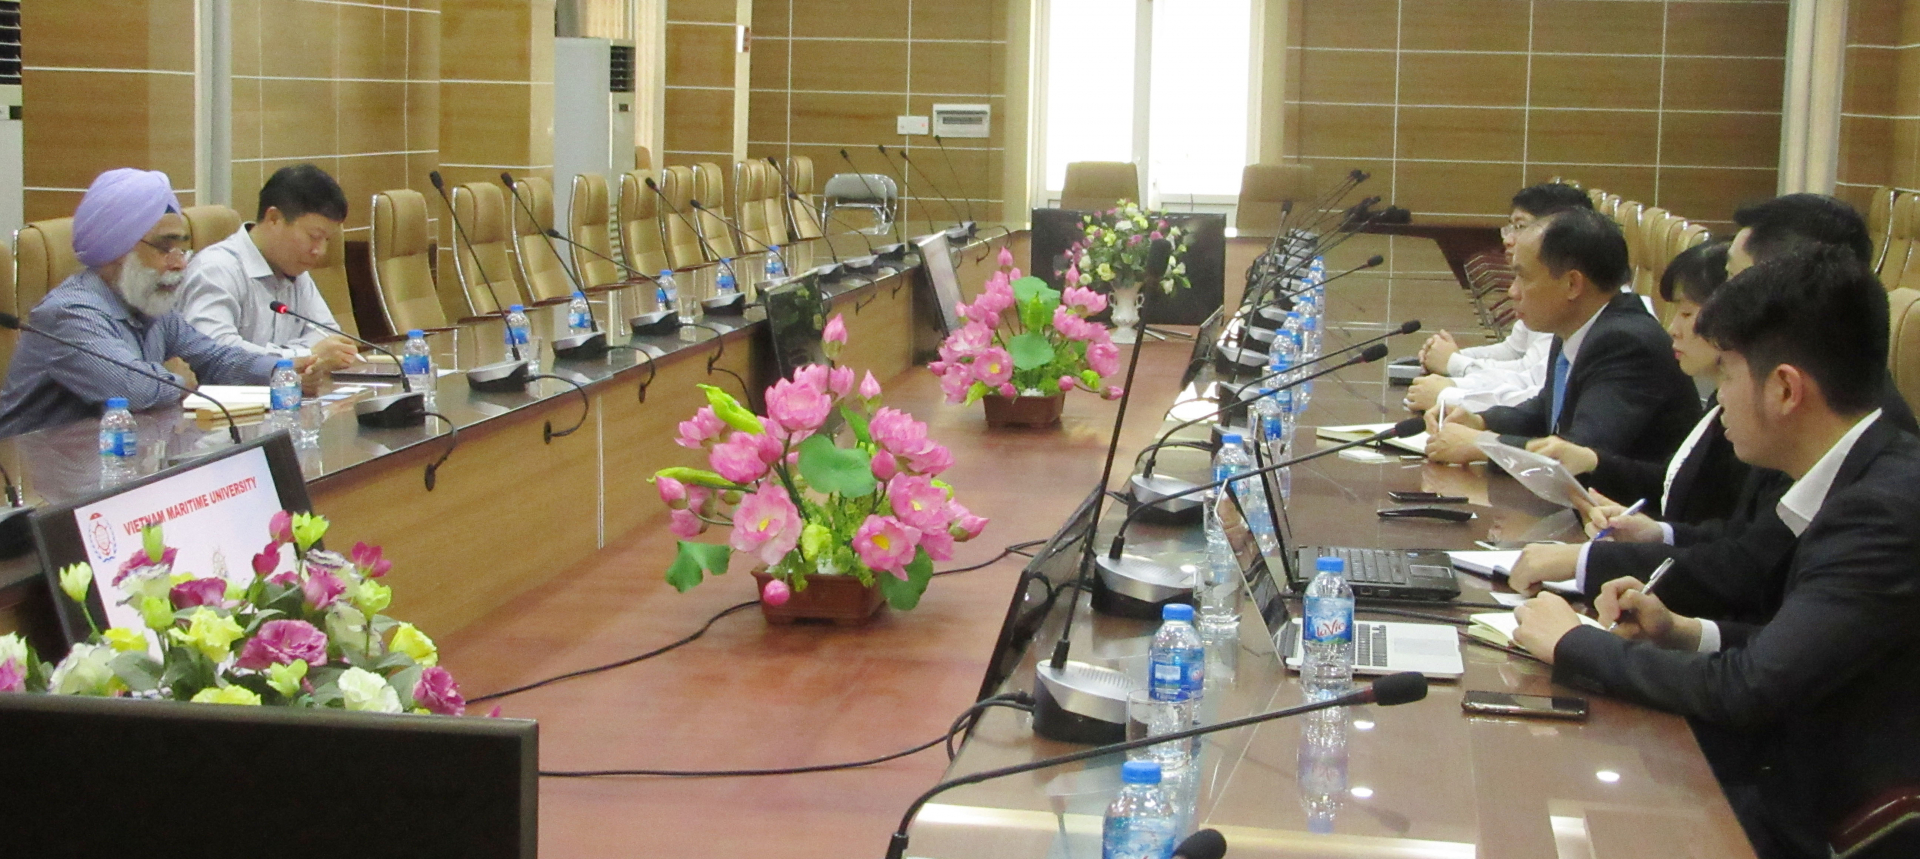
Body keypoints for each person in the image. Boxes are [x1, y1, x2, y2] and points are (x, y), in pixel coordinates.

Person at [1511, 247, 1920, 859]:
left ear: (1785, 389)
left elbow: (1751, 689)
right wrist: (1680, 632)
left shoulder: (1882, 508)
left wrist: (1574, 643)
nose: (1718, 397)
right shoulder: (1862, 469)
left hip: (1824, 819)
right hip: (1787, 768)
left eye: (1726, 373)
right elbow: (1803, 644)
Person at [1505, 194, 1917, 618]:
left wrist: (1581, 597)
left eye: (1732, 278)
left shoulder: (1829, 429)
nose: (1720, 300)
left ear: (1787, 281)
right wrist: (1662, 545)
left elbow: (1751, 577)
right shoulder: (1790, 395)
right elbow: (1743, 537)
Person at [0, 169, 327, 438]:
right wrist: (177, 379)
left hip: (113, 467)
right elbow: (132, 389)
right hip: (34, 479)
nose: (180, 263)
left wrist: (281, 371)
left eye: (181, 249)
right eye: (164, 248)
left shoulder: (151, 307)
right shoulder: (68, 314)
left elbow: (213, 358)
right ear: (118, 248)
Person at [1423, 207, 1700, 465]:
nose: (1512, 291)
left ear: (1572, 284)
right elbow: (1547, 409)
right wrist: (1481, 421)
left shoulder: (1627, 344)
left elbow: (1577, 453)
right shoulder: (1577, 324)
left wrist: (1483, 444)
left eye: (1523, 277)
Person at [1527, 242, 1738, 522]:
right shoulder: (1719, 398)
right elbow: (1673, 481)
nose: (1673, 329)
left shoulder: (1627, 340)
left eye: (1686, 314)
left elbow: (1727, 528)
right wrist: (1593, 462)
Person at [1405, 184, 1593, 413]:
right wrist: (1450, 362)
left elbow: (1537, 394)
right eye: (1510, 227)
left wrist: (1451, 379)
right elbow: (1522, 365)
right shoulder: (1557, 295)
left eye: (1520, 227)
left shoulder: (1606, 331)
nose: (1508, 239)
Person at [178, 164, 359, 362]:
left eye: (327, 240)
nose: (320, 251)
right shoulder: (216, 269)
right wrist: (303, 355)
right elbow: (215, 352)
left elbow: (328, 335)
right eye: (314, 236)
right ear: (274, 218)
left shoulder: (294, 269)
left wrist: (296, 356)